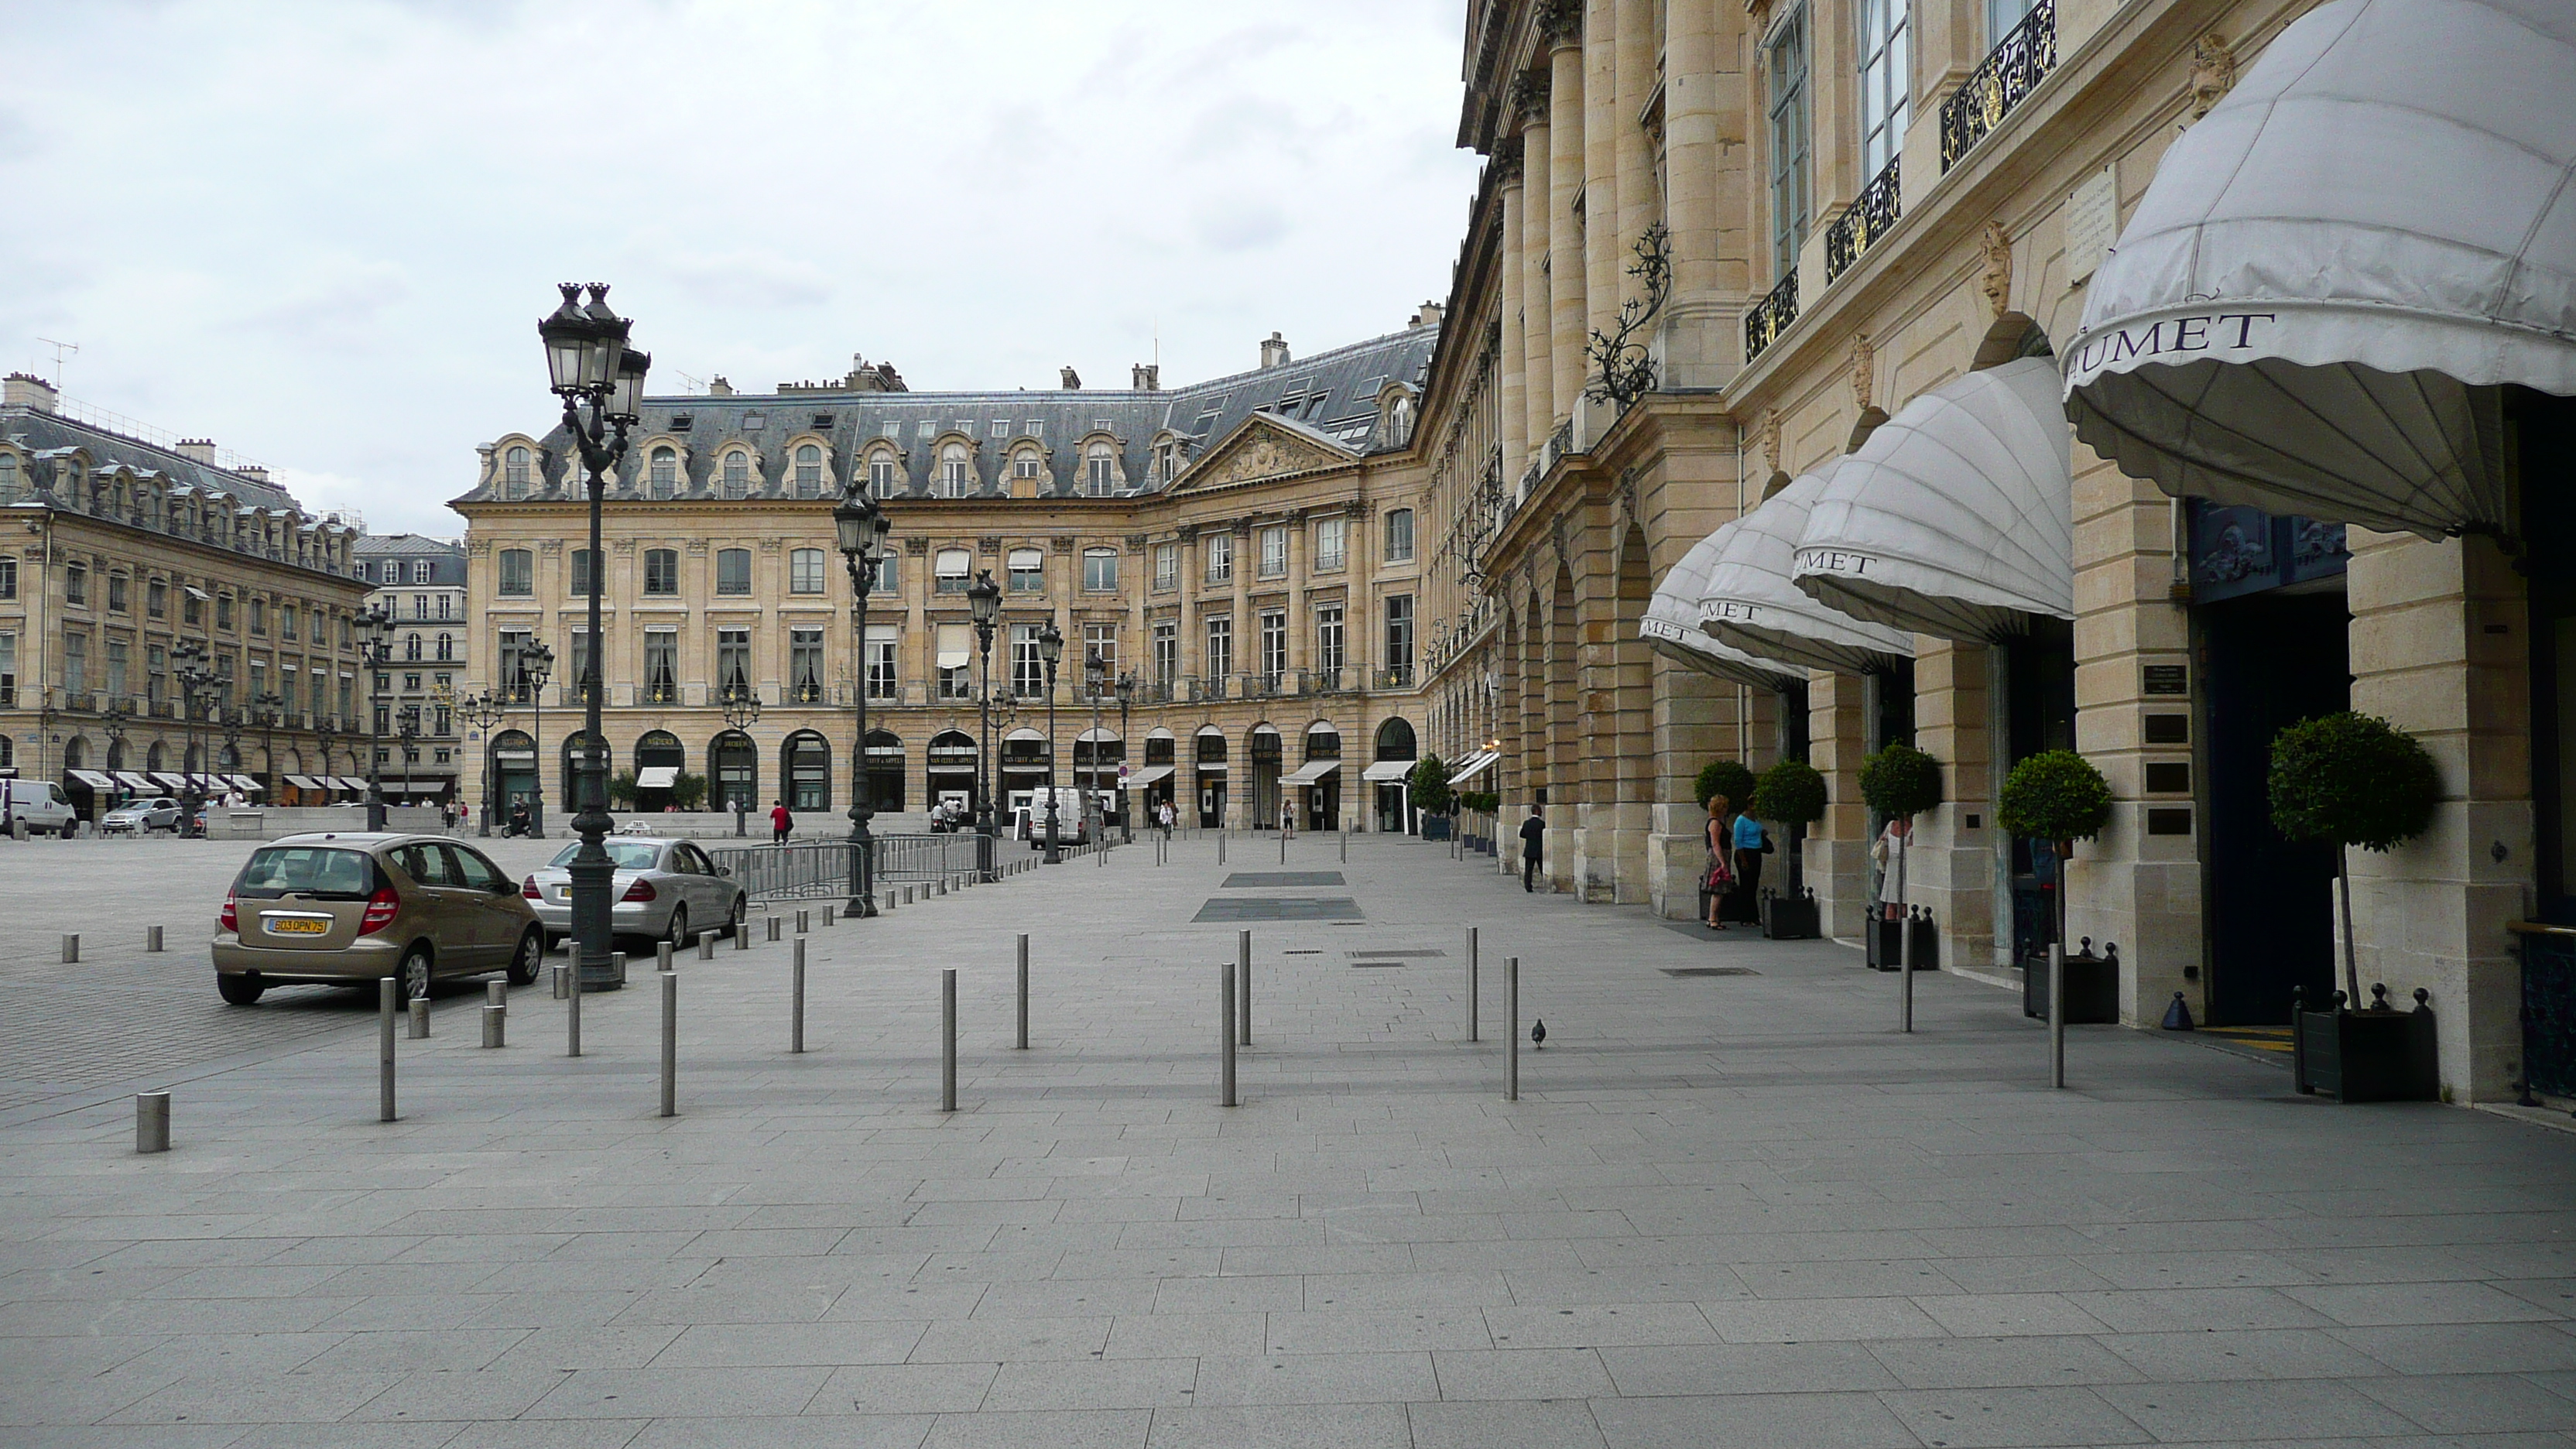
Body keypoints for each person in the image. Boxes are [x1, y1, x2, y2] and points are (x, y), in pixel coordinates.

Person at [1732, 802, 1769, 923]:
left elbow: (1756, 831)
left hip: (1756, 853)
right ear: (1748, 805)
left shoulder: (1755, 819)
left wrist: (1762, 833)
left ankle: (1754, 916)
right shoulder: (1741, 820)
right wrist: (1743, 860)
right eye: (1753, 804)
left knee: (1753, 885)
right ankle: (1745, 917)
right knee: (1746, 886)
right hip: (1745, 854)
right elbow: (1738, 840)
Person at [1702, 795, 1735, 930]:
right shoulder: (1715, 823)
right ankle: (1713, 919)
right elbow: (1715, 844)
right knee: (1718, 889)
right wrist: (1723, 862)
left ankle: (1714, 918)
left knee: (1719, 890)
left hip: (1720, 856)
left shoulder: (1717, 821)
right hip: (1718, 857)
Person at [1519, 803, 1546, 892]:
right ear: (1538, 811)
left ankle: (1528, 887)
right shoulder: (1542, 824)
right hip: (1539, 849)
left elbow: (1522, 834)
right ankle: (1546, 884)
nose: (1542, 812)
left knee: (1528, 870)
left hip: (1529, 849)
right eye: (1541, 811)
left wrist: (1530, 837)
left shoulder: (1526, 823)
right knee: (1542, 868)